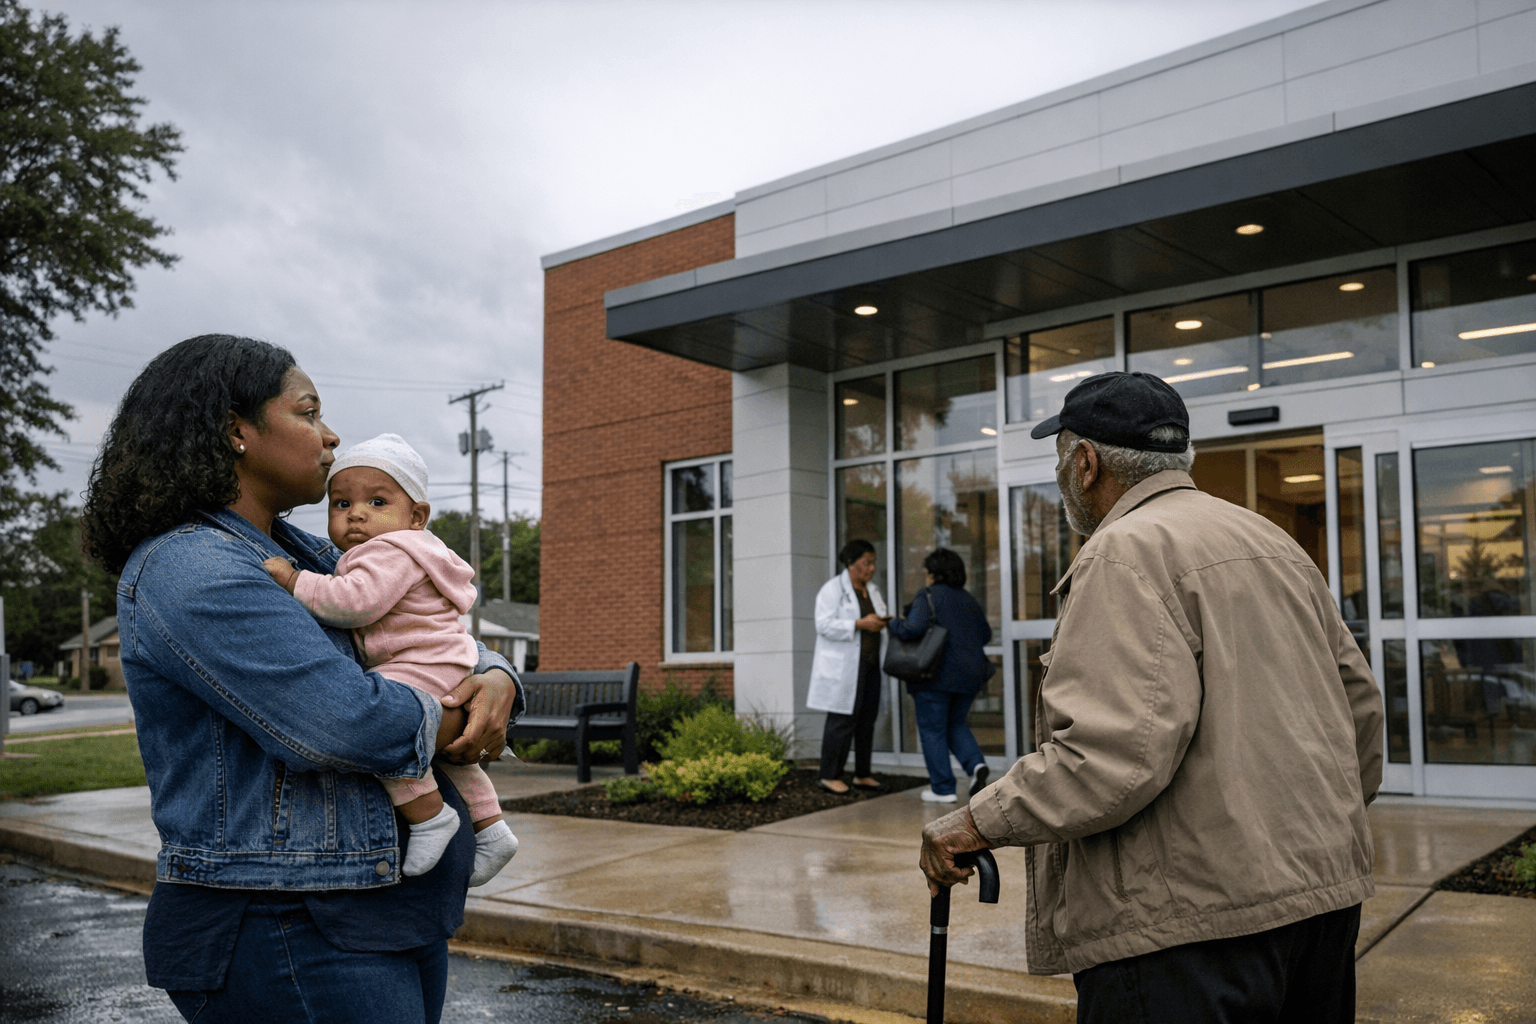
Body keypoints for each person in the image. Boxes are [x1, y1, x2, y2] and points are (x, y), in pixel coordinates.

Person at [79, 335, 523, 1024]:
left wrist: (498, 678)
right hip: (284, 921)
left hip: (379, 907)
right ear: (236, 432)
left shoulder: (304, 553)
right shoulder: (194, 570)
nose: (331, 434)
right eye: (309, 412)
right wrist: (472, 710)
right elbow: (347, 722)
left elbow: (432, 623)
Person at [918, 371, 1384, 1024]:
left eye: (1061, 458)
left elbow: (1112, 757)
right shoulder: (1273, 543)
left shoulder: (1122, 553)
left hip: (1185, 935)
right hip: (1320, 911)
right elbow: (1360, 712)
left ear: (1084, 463)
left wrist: (975, 822)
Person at [261, 433, 518, 884]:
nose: (356, 513)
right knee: (457, 758)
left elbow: (353, 602)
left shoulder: (388, 551)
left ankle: (429, 816)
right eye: (341, 504)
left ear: (415, 516)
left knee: (388, 731)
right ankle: (492, 827)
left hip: (417, 664)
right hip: (443, 660)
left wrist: (296, 581)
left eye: (377, 502)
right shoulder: (412, 550)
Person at [888, 547, 993, 804]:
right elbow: (986, 635)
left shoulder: (928, 595)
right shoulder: (969, 600)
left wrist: (892, 623)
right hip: (969, 676)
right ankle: (975, 765)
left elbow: (913, 628)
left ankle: (943, 788)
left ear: (934, 573)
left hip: (935, 676)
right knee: (955, 723)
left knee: (932, 729)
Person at [807, 539, 887, 794]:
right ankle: (829, 775)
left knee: (866, 721)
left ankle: (862, 774)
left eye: (873, 562)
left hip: (870, 666)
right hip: (844, 669)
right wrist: (858, 624)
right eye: (866, 563)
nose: (871, 568)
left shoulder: (872, 590)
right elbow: (824, 625)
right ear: (851, 564)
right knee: (841, 720)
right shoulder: (832, 590)